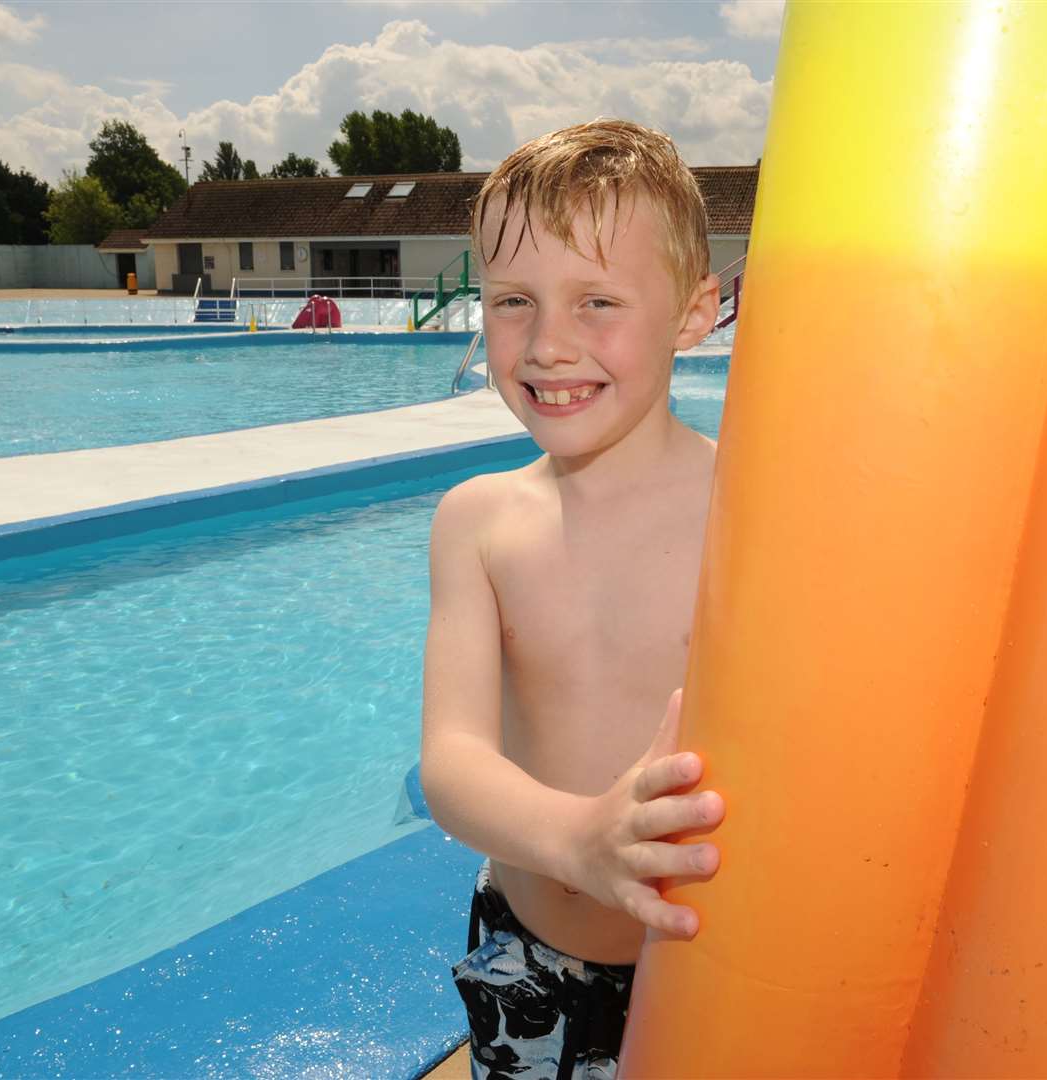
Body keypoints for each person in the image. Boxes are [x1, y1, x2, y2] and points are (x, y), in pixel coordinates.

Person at [420, 119, 726, 1080]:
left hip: (718, 967)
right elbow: (453, 761)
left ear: (693, 312)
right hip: (533, 960)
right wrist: (577, 843)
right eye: (513, 300)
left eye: (597, 300)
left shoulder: (754, 517)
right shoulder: (478, 522)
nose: (549, 345)